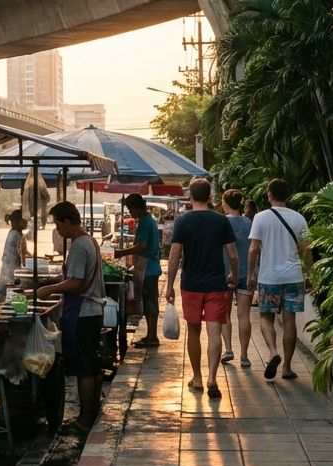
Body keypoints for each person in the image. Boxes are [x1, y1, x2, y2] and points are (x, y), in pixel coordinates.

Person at [165, 178, 239, 400]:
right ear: (210, 197)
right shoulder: (221, 221)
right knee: (214, 332)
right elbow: (233, 254)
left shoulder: (183, 221)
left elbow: (174, 256)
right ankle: (212, 379)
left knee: (194, 331)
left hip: (191, 285)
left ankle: (197, 378)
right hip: (216, 284)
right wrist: (234, 275)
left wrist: (169, 285)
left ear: (190, 197)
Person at [36, 201, 105, 436]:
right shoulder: (90, 241)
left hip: (83, 313)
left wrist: (49, 290)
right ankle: (92, 413)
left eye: (58, 224)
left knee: (84, 368)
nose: (57, 230)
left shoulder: (78, 246)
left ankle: (84, 421)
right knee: (93, 365)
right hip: (93, 312)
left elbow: (76, 283)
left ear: (67, 221)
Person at [248, 178, 312, 381]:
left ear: (269, 195)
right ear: (287, 195)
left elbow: (253, 249)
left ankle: (273, 352)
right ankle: (287, 368)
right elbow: (307, 250)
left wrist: (250, 274)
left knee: (266, 317)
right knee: (289, 320)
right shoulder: (299, 218)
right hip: (294, 276)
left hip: (269, 277)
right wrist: (310, 275)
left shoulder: (260, 217)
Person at [115, 194, 162, 347]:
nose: (130, 213)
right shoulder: (147, 220)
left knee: (150, 302)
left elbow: (142, 246)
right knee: (149, 302)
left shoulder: (145, 223)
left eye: (131, 210)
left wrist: (122, 252)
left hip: (148, 269)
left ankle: (152, 336)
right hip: (150, 267)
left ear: (137, 208)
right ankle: (151, 335)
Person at [219, 189, 254, 368]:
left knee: (225, 314)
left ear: (225, 203)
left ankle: (228, 350)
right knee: (244, 315)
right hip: (245, 274)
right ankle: (244, 356)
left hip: (225, 274)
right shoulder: (249, 223)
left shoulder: (221, 222)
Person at [0, 209, 28, 300]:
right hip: (11, 270)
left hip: (8, 268)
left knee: (3, 292)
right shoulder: (17, 235)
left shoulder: (13, 232)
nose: (27, 223)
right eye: (25, 220)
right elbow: (24, 256)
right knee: (9, 295)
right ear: (20, 222)